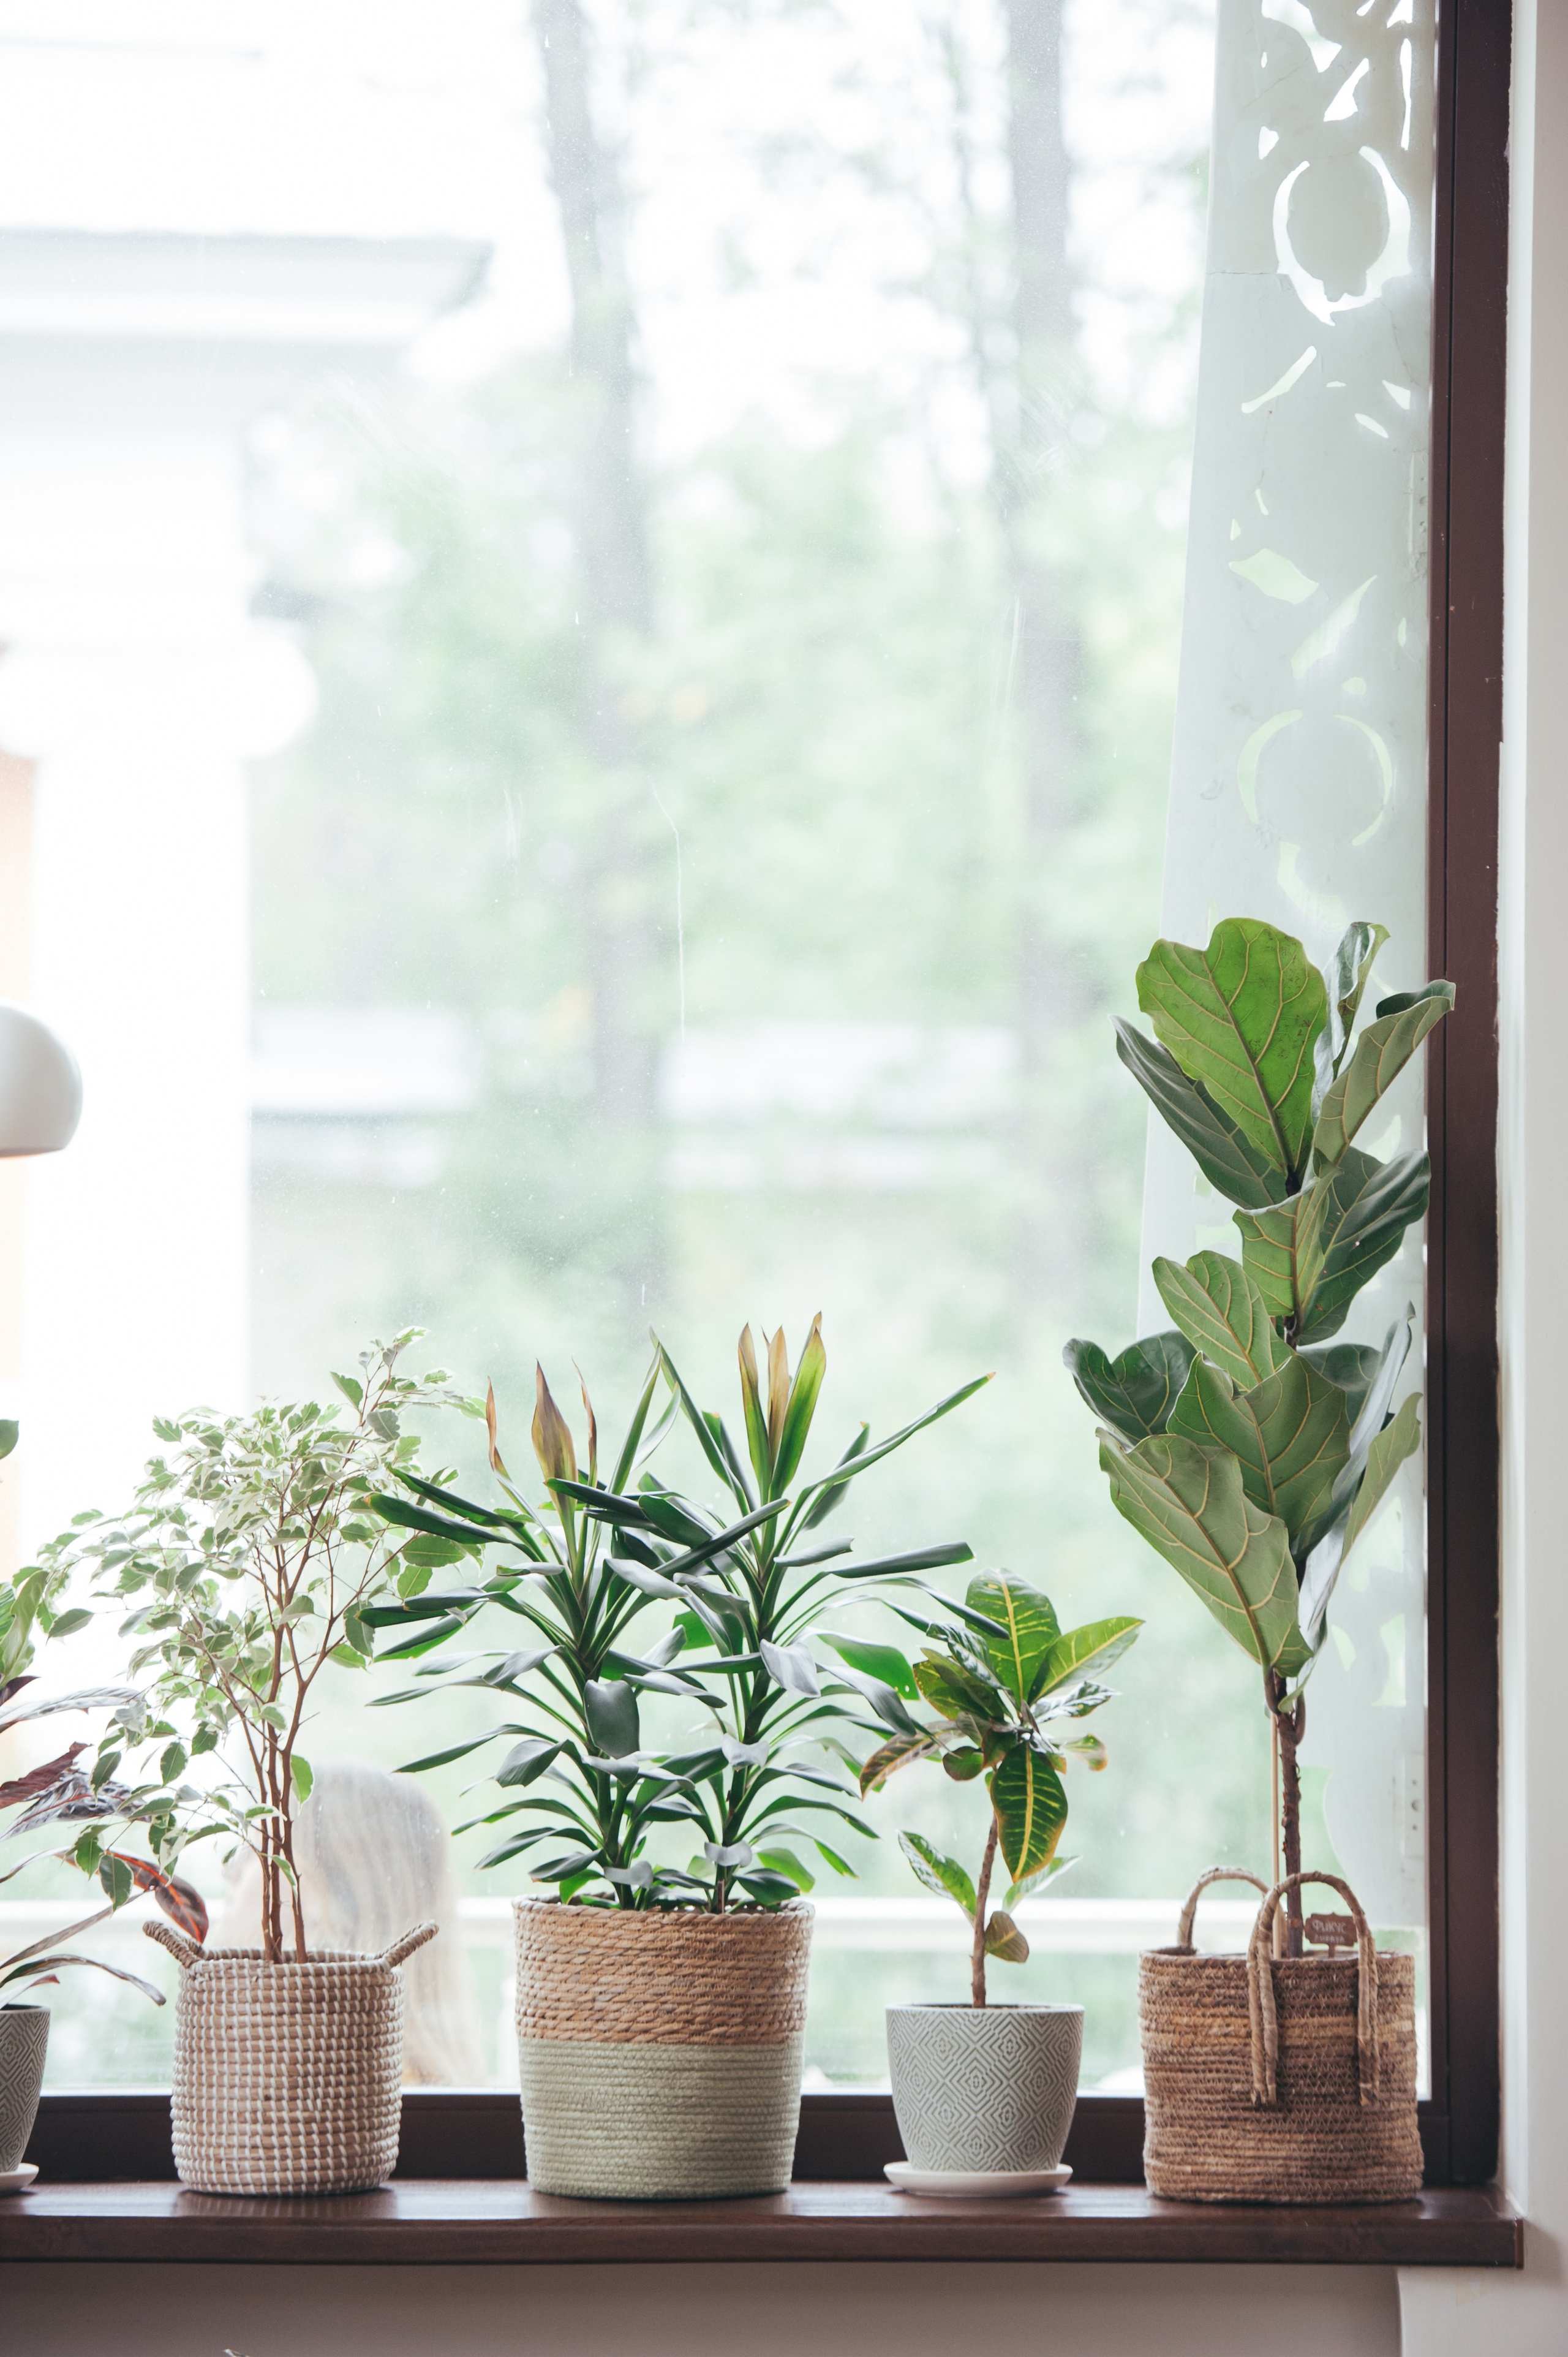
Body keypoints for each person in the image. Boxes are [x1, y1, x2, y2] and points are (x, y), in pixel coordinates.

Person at [211, 1759, 484, 2086]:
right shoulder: (383, 2075)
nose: (229, 1871)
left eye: (258, 1848)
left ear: (316, 1899)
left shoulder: (319, 2085)